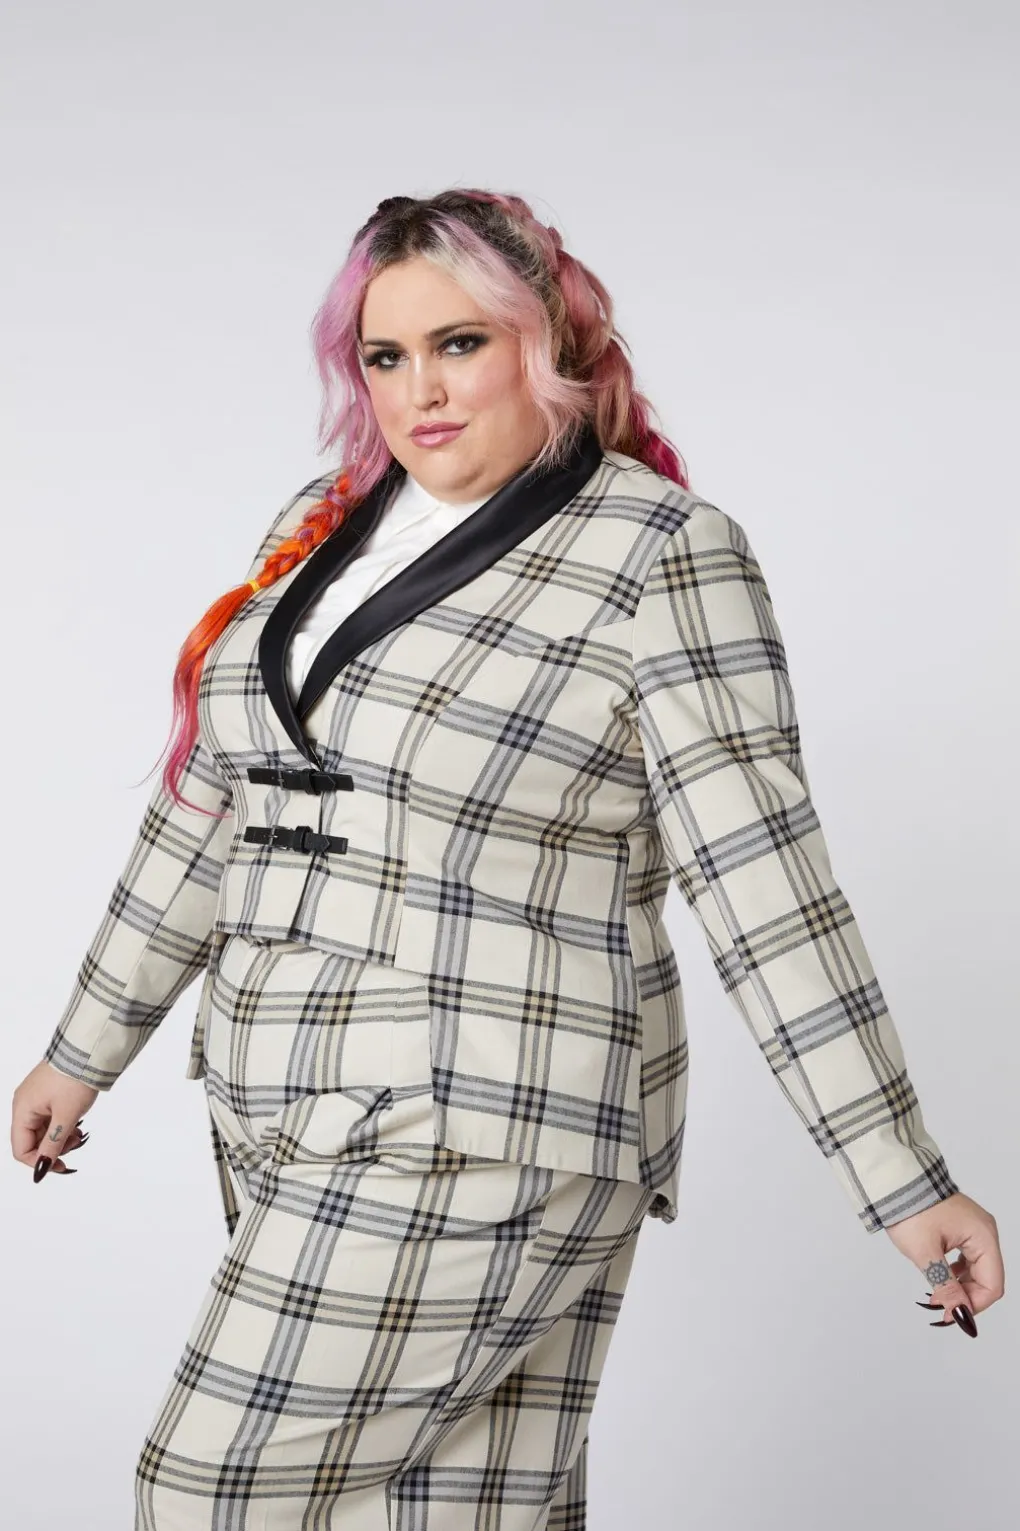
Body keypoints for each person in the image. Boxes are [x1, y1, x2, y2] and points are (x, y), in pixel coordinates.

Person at [11, 188, 1005, 1529]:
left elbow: (764, 882)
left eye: (460, 344)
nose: (419, 390)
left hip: (484, 1120)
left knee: (209, 1490)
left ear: (546, 344)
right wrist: (85, 1047)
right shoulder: (323, 523)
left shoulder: (658, 552)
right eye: (386, 355)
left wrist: (899, 1172)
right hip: (284, 1100)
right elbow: (215, 803)